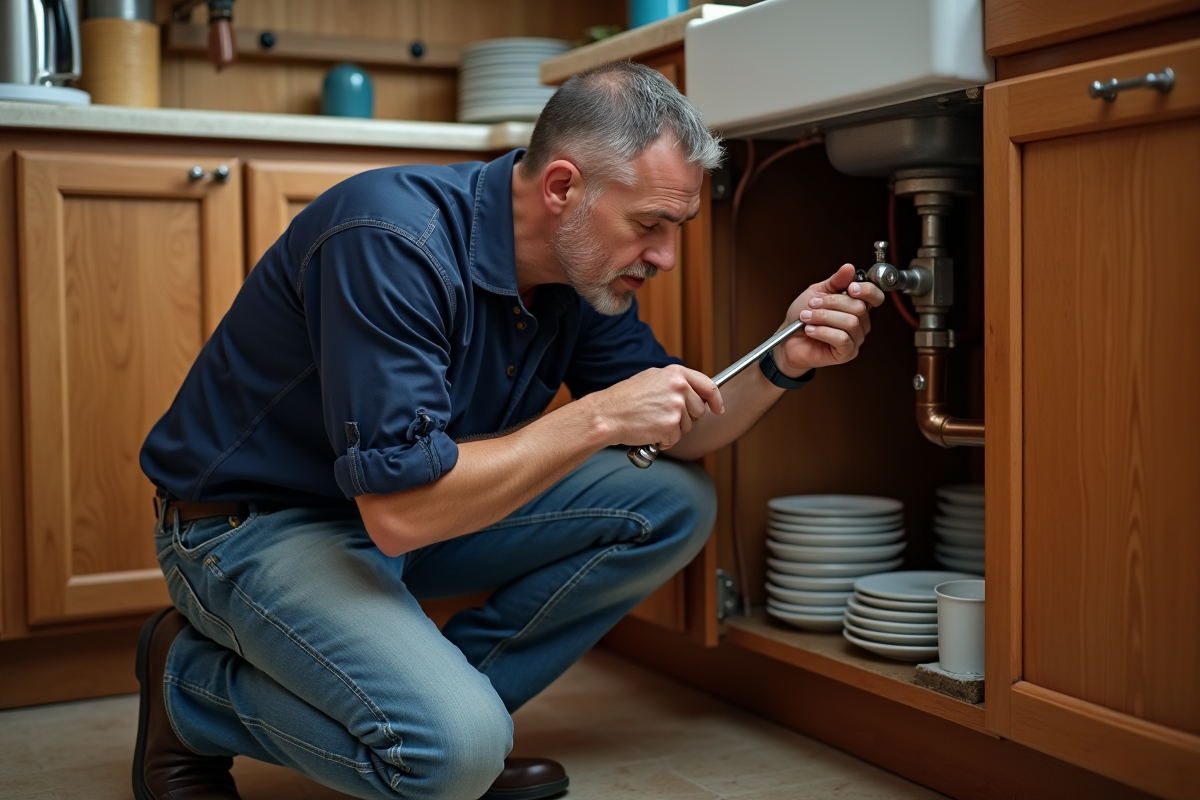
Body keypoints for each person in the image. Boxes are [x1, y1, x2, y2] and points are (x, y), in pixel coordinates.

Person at [133, 61, 885, 800]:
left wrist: (784, 361)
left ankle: (455, 716)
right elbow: (401, 514)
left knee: (672, 500)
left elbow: (680, 433)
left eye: (677, 226)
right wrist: (595, 416)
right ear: (562, 187)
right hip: (254, 527)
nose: (664, 256)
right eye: (651, 225)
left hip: (405, 512)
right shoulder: (393, 239)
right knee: (450, 760)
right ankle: (190, 690)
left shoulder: (579, 266)